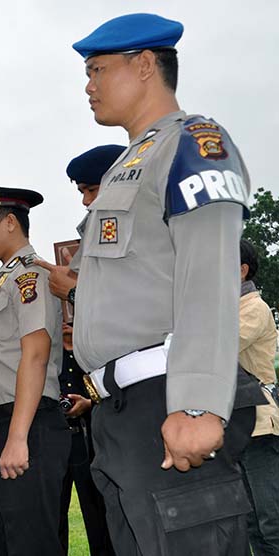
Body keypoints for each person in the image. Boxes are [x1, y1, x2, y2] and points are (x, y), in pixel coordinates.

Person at [70, 13, 256, 554]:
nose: (89, 85)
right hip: (122, 411)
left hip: (169, 397)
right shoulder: (131, 162)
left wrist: (198, 404)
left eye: (98, 69)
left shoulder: (193, 143)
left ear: (146, 65)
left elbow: (208, 273)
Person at [0, 181, 71, 555]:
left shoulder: (30, 275)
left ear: (10, 222)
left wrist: (18, 436)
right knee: (1, 542)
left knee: (30, 543)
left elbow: (36, 355)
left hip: (28, 424)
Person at [41, 145, 123, 556]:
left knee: (111, 517)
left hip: (111, 419)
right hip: (80, 425)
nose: (87, 202)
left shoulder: (130, 228)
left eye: (91, 190)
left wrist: (76, 289)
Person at [238, 239, 279, 555]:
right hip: (237, 424)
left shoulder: (254, 307)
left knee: (271, 521)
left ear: (241, 270)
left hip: (260, 425)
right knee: (251, 522)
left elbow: (218, 346)